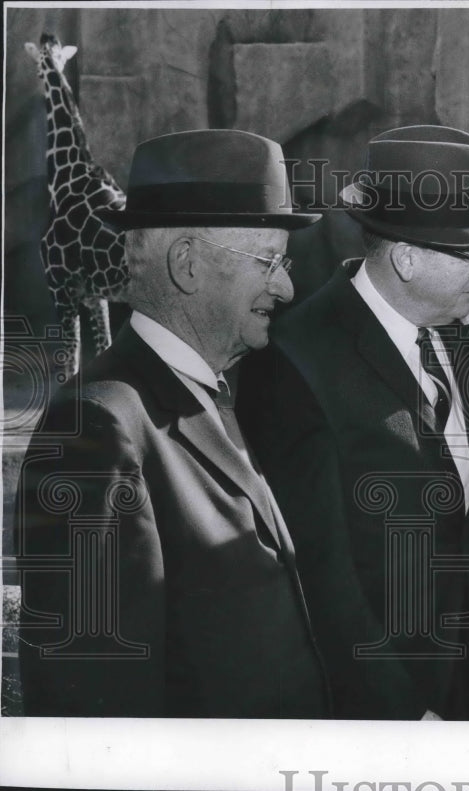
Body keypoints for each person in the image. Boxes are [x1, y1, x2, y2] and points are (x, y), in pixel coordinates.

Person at [15, 129, 330, 717]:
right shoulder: (95, 428)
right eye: (267, 260)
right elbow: (93, 710)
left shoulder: (209, 392)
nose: (286, 287)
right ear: (187, 264)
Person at [238, 125, 469, 720]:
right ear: (407, 259)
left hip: (458, 698)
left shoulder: (461, 335)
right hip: (374, 720)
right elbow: (317, 578)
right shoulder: (297, 361)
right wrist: (406, 720)